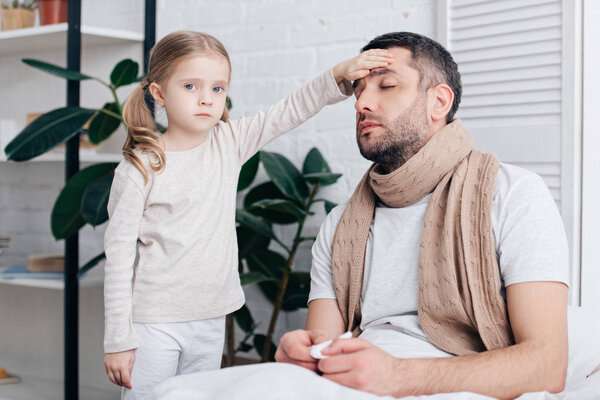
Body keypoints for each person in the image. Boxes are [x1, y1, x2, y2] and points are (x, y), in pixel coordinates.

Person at [275, 31, 570, 399]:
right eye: (358, 90)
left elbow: (547, 364)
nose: (362, 103)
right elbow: (325, 344)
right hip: (352, 385)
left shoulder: (512, 194)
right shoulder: (340, 224)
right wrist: (303, 355)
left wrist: (399, 375)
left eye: (387, 85)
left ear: (439, 102)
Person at [102, 30, 393, 399]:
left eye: (217, 88)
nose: (206, 99)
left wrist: (340, 71)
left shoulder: (228, 142)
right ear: (159, 93)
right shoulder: (139, 168)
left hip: (210, 318)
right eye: (191, 86)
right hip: (154, 323)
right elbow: (118, 257)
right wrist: (118, 340)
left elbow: (290, 109)